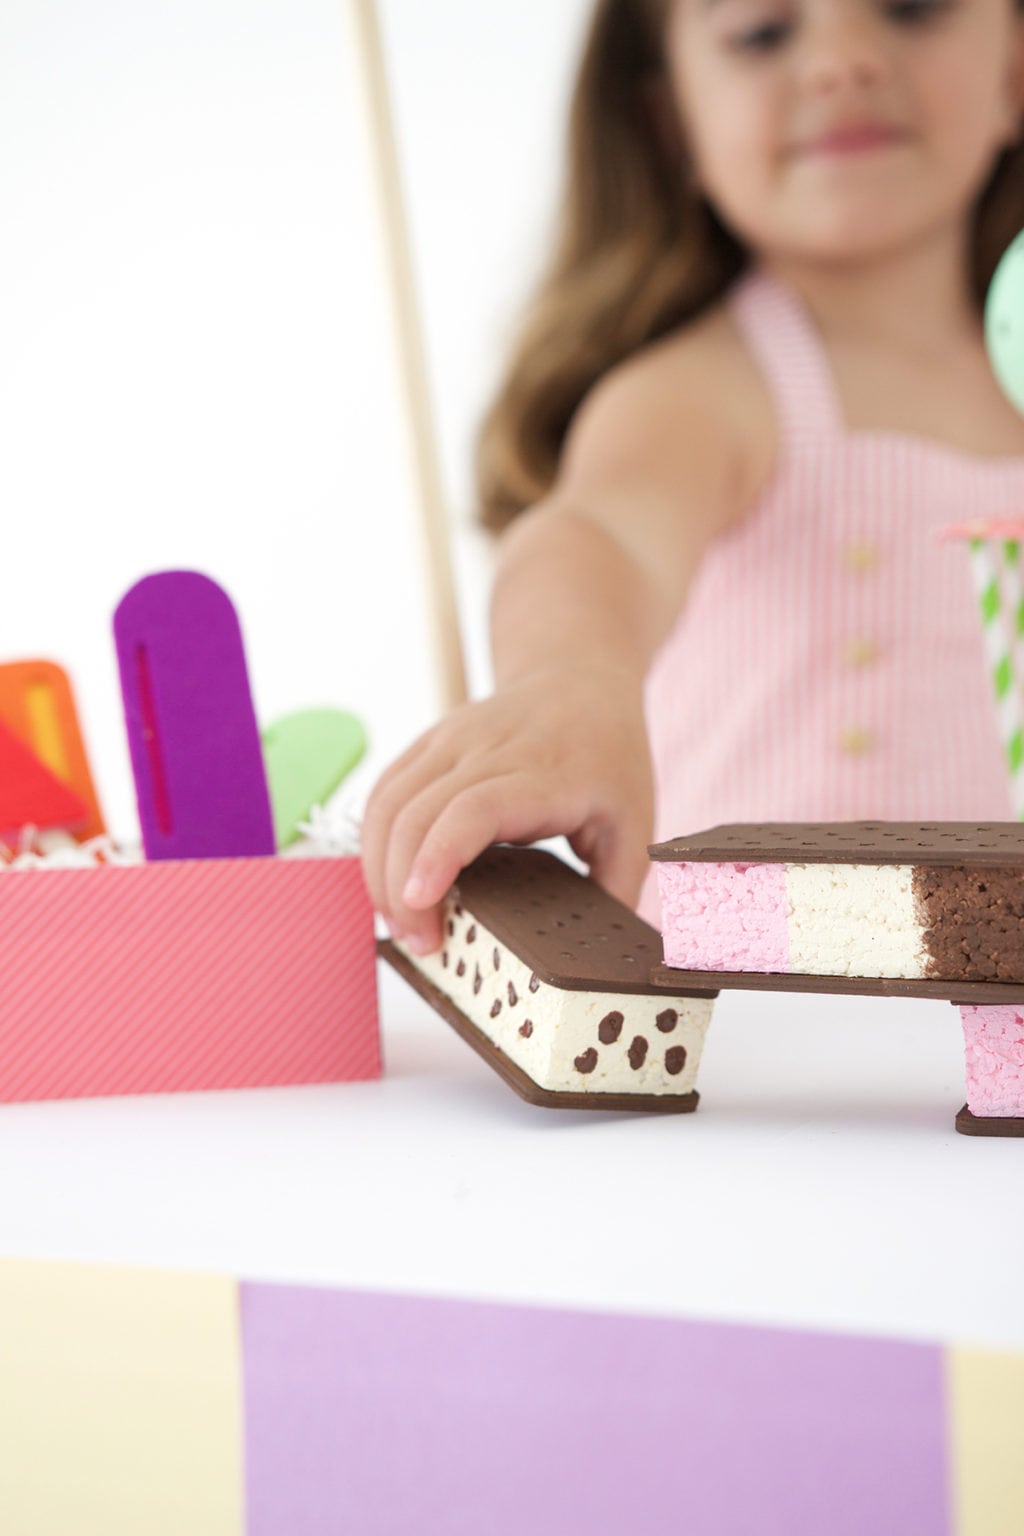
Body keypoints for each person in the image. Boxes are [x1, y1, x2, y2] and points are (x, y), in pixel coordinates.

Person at [364, 0, 1024, 954]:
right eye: (763, 31)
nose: (842, 61)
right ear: (672, 120)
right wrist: (572, 680)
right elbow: (605, 534)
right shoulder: (713, 390)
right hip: (759, 1038)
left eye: (912, 7)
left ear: (1015, 67)